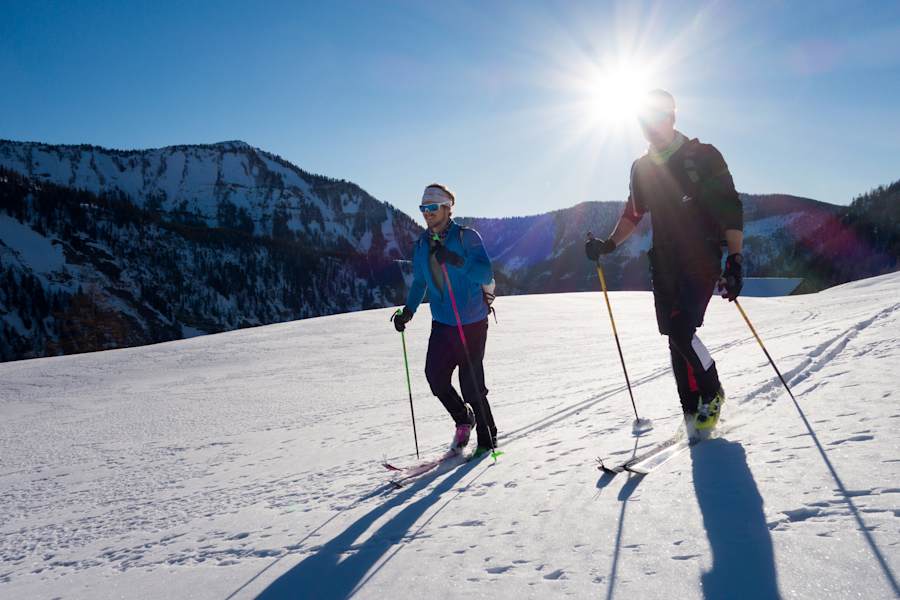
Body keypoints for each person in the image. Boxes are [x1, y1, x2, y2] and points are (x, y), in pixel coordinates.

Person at [585, 89, 744, 431]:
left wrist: (734, 259)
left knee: (682, 330)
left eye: (657, 118)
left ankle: (712, 392)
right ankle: (691, 409)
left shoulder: (704, 155)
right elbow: (633, 213)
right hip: (664, 260)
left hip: (701, 255)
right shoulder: (642, 168)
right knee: (673, 335)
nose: (651, 127)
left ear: (672, 117)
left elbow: (731, 207)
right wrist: (608, 244)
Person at [392, 183, 498, 455]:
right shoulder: (421, 244)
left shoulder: (467, 237)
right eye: (423, 208)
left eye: (432, 207)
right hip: (442, 324)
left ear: (447, 208)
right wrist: (408, 311)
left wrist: (455, 260)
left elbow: (485, 274)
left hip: (472, 323)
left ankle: (488, 438)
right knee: (436, 378)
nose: (427, 213)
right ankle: (464, 418)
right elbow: (420, 282)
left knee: (471, 386)